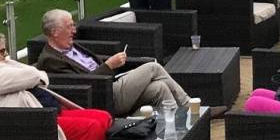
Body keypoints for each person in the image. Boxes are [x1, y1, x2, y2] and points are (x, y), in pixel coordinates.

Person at [32, 9, 190, 114]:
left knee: (159, 87)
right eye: (69, 26)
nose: (74, 30)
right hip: (104, 96)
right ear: (55, 32)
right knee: (153, 68)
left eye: (73, 25)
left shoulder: (69, 46)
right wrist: (109, 65)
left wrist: (113, 62)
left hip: (113, 83)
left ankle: (177, 125)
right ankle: (189, 106)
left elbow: (92, 63)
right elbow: (83, 85)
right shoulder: (50, 60)